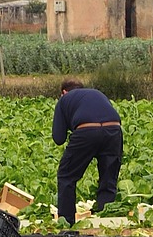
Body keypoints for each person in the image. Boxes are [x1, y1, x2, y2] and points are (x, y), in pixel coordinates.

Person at [51, 80, 123, 226]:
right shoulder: (96, 93)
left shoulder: (64, 99)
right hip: (114, 130)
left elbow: (58, 138)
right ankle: (106, 219)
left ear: (64, 92)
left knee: (66, 176)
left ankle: (66, 222)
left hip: (86, 130)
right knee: (108, 177)